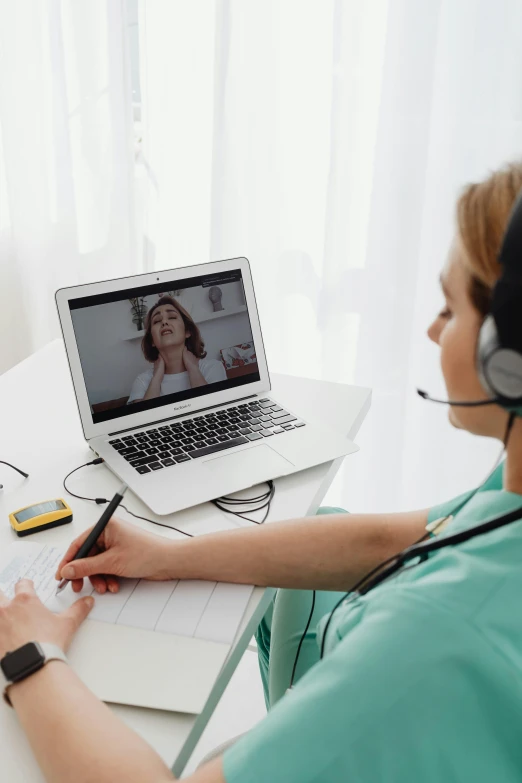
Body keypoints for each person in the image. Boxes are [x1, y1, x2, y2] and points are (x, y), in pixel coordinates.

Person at [1, 162, 522, 783]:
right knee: (321, 518)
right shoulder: (504, 496)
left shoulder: (431, 636)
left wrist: (29, 659)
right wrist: (164, 555)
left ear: (507, 356)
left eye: (451, 305)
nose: (433, 329)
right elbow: (404, 538)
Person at [127, 295, 226, 403]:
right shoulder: (142, 381)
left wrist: (193, 368)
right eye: (157, 321)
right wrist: (157, 378)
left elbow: (215, 410)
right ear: (152, 340)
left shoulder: (212, 368)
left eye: (172, 317)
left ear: (187, 331)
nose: (164, 322)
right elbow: (144, 419)